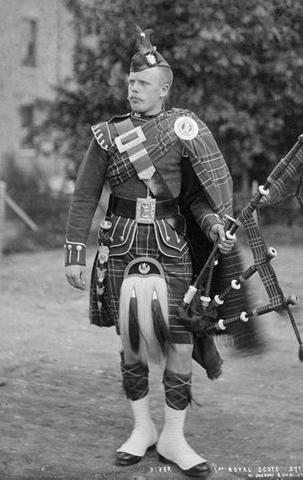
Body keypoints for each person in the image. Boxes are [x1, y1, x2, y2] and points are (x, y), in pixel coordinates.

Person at [65, 27, 236, 478]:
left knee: (180, 341)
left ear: (164, 89)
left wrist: (216, 225)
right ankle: (142, 429)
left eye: (142, 84)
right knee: (132, 342)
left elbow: (197, 198)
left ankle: (174, 438)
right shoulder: (108, 135)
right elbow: (85, 197)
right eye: (129, 82)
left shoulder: (184, 129)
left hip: (171, 241)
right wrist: (74, 253)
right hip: (120, 241)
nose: (133, 89)